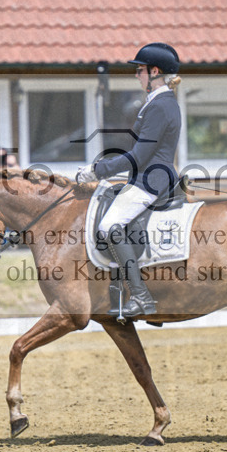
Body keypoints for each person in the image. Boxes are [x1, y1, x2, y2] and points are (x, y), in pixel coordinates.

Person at [75, 43, 182, 320]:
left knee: (109, 225)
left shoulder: (160, 106)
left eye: (140, 70)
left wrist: (97, 171)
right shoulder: (160, 102)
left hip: (151, 181)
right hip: (147, 176)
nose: (137, 75)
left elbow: (138, 156)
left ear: (154, 71)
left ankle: (141, 296)